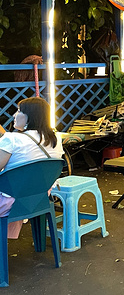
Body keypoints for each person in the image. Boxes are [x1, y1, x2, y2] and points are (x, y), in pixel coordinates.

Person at [0, 98, 64, 239]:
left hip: (10, 203)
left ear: (30, 116)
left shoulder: (12, 139)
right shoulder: (56, 139)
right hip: (38, 200)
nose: (14, 115)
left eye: (19, 111)